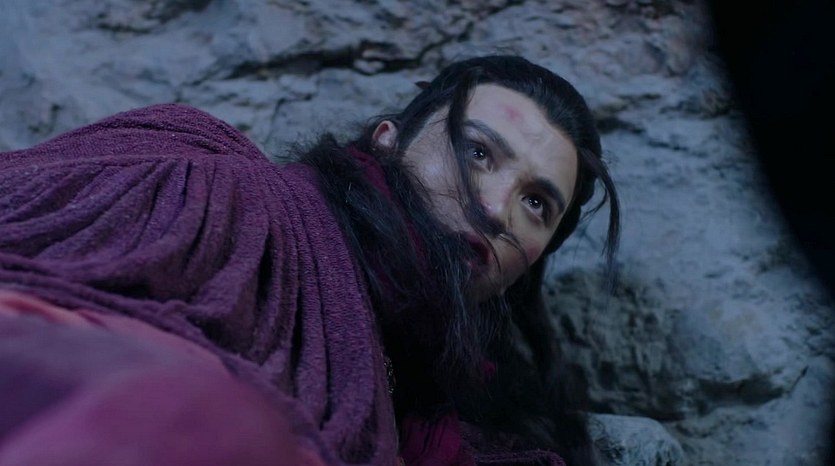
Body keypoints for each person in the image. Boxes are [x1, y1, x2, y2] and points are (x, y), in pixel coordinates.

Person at [0, 55, 619, 466]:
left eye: (536, 203)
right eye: (478, 152)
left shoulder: (439, 413)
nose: (495, 206)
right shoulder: (218, 184)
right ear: (388, 140)